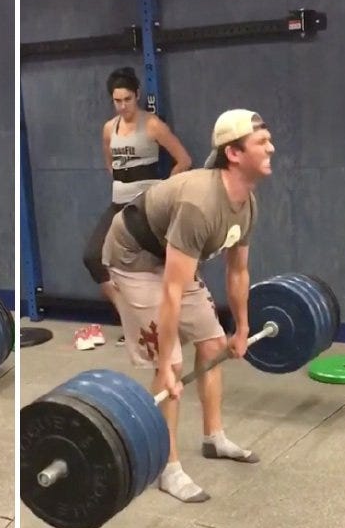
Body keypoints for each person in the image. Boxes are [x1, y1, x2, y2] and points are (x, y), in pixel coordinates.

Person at [101, 108, 271, 503]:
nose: (271, 147)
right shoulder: (200, 203)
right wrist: (163, 363)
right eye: (261, 142)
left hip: (169, 256)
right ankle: (168, 466)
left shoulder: (246, 204)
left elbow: (238, 272)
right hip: (133, 257)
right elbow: (172, 291)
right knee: (173, 361)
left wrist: (242, 328)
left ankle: (214, 437)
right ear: (234, 153)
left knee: (212, 344)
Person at [79, 67, 191, 350]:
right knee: (93, 257)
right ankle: (131, 316)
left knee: (155, 266)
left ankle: (174, 325)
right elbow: (112, 165)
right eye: (117, 101)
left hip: (146, 209)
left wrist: (160, 192)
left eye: (128, 99)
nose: (123, 106)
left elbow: (184, 160)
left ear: (137, 95)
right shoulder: (109, 129)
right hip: (119, 205)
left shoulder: (152, 125)